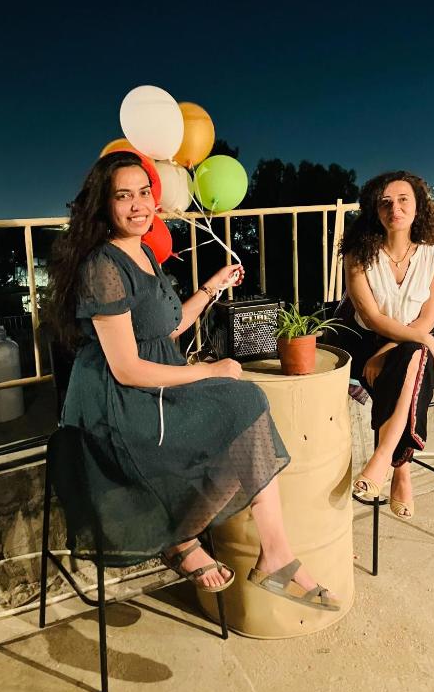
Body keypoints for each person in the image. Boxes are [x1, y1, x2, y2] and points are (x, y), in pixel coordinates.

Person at [46, 150, 338, 610]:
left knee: (244, 408)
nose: (139, 205)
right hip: (121, 403)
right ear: (103, 204)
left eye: (144, 192)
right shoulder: (103, 266)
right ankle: (206, 543)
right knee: (244, 404)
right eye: (124, 196)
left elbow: (167, 327)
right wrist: (207, 369)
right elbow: (126, 368)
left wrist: (212, 287)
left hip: (158, 385)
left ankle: (250, 549)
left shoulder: (143, 251)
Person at [335, 170, 434, 518]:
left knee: (411, 357)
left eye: (403, 200)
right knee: (414, 358)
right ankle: (401, 468)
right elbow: (371, 317)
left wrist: (393, 348)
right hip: (372, 342)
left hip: (422, 339)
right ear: (375, 210)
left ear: (419, 207)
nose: (395, 209)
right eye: (385, 202)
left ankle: (385, 456)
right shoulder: (359, 256)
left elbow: (427, 320)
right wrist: (410, 343)